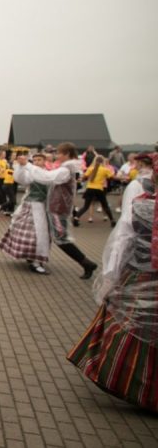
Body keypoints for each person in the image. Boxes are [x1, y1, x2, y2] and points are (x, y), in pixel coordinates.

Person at [66, 155, 158, 412]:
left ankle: (135, 385)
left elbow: (120, 246)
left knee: (132, 330)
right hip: (142, 279)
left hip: (140, 278)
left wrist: (111, 280)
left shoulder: (141, 207)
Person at [13, 143, 98, 279]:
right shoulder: (65, 168)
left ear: (67, 154)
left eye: (59, 153)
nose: (56, 155)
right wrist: (25, 166)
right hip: (54, 207)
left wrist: (28, 165)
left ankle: (86, 263)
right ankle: (85, 263)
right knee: (56, 237)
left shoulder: (65, 169)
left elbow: (47, 178)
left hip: (58, 208)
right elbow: (36, 178)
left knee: (60, 238)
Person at [0, 153, 51, 274]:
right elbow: (21, 179)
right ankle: (35, 261)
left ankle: (35, 259)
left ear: (45, 161)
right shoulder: (32, 172)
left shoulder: (49, 173)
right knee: (33, 234)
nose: (37, 162)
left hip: (44, 208)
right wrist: (22, 166)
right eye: (35, 160)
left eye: (40, 160)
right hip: (32, 206)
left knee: (42, 235)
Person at [73, 155, 116, 228]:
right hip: (99, 189)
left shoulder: (90, 168)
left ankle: (76, 218)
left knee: (86, 206)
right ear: (103, 161)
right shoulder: (105, 169)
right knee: (105, 205)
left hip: (90, 188)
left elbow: (84, 176)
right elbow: (111, 177)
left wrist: (80, 180)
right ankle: (112, 220)